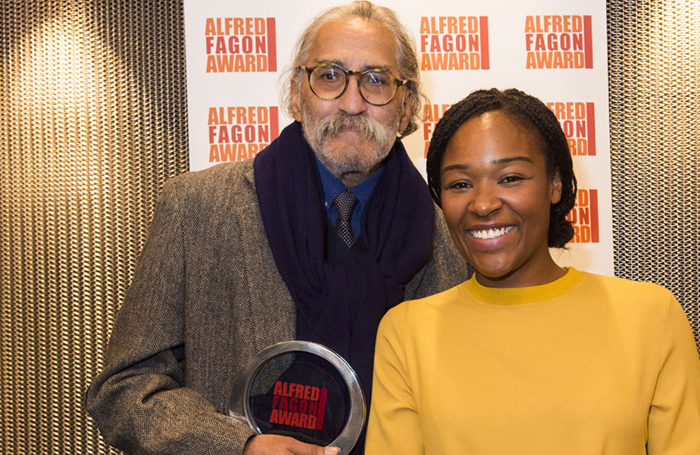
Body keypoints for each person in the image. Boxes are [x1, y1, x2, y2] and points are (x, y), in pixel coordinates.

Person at [85, 2, 468, 455]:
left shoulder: (450, 236)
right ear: (295, 93)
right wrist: (239, 447)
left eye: (376, 80)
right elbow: (126, 388)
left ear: (405, 108)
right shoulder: (199, 207)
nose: (351, 102)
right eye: (329, 76)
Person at [365, 88, 700, 454]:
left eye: (510, 178)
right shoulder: (405, 333)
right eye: (460, 184)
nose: (483, 203)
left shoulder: (651, 316)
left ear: (554, 184)